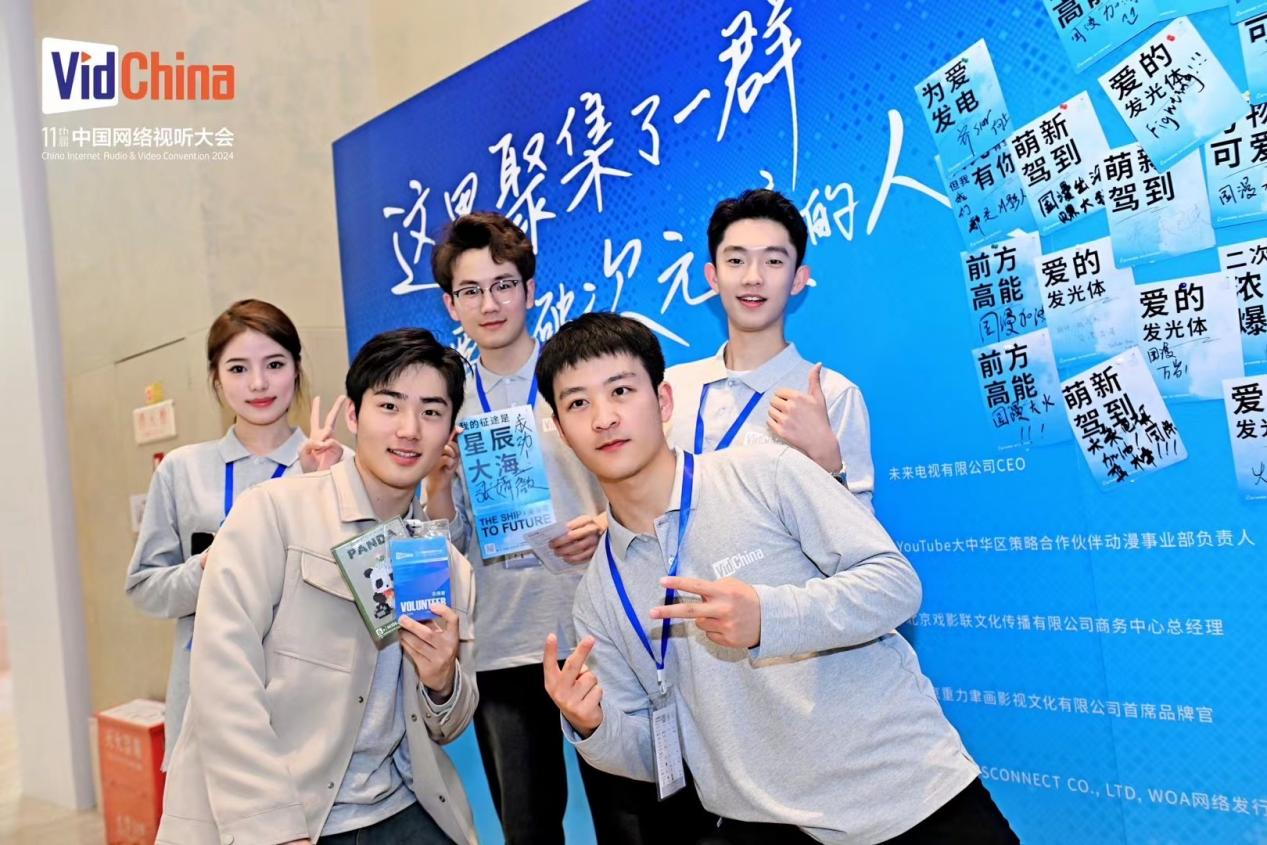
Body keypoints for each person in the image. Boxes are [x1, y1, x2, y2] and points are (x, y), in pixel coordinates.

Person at [537, 313, 1017, 845]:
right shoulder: (598, 595)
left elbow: (895, 585)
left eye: (621, 391)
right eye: (578, 403)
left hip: (904, 795)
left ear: (664, 401)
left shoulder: (766, 473)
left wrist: (768, 617)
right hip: (761, 826)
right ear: (560, 431)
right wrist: (593, 725)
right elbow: (662, 753)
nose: (604, 418)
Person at [156, 328, 479, 845]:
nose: (409, 429)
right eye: (389, 405)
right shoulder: (274, 513)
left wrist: (442, 681)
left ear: (449, 433)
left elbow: (449, 724)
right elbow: (222, 677)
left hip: (400, 804)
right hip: (287, 814)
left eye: (431, 411)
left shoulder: (445, 564)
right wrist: (273, 827)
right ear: (353, 415)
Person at [424, 212, 658, 844]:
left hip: (598, 629)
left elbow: (646, 482)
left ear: (529, 290)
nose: (489, 304)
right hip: (502, 642)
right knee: (528, 828)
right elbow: (447, 548)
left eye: (503, 285)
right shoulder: (445, 403)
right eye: (471, 291)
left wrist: (606, 524)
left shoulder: (577, 377)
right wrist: (438, 485)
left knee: (629, 821)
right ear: (450, 304)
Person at [124, 299, 348, 767]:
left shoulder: (337, 464)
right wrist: (208, 566)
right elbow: (145, 588)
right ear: (216, 378)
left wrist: (317, 490)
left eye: (274, 364)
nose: (259, 383)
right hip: (209, 700)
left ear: (297, 368)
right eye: (239, 368)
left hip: (313, 700)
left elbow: (366, 587)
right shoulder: (182, 470)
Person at [665, 189, 876, 510]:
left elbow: (861, 532)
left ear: (798, 280)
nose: (753, 277)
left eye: (774, 261)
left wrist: (827, 459)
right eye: (736, 261)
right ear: (713, 277)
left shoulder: (833, 395)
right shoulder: (670, 388)